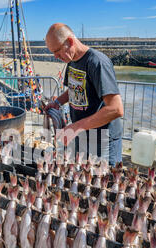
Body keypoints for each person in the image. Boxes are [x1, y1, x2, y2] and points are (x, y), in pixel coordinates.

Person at [43, 23, 124, 166]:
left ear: (70, 42)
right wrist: (57, 103)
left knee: (104, 182)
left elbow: (116, 109)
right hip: (83, 136)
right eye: (53, 52)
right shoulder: (71, 61)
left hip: (102, 141)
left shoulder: (97, 62)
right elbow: (75, 89)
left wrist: (75, 127)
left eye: (57, 51)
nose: (55, 56)